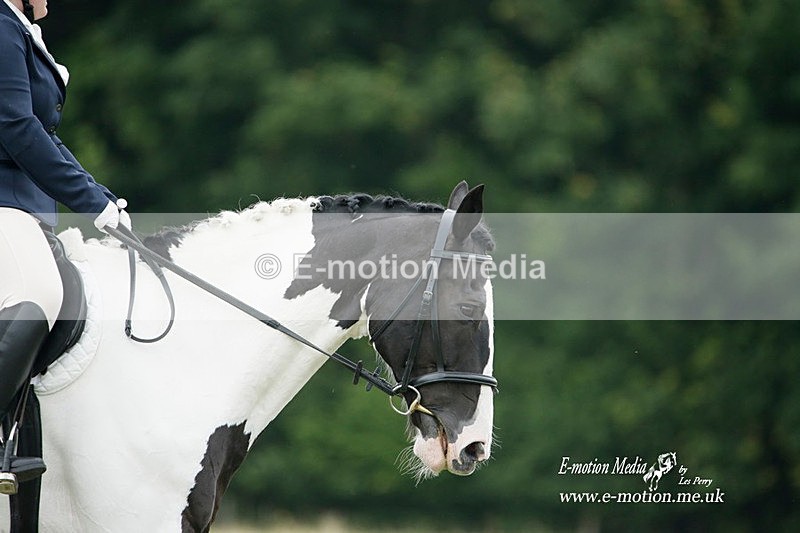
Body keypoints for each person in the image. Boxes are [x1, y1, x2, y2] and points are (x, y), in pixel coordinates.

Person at [0, 0, 129, 494]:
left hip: (26, 208)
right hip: (4, 204)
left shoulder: (18, 29)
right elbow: (15, 127)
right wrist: (86, 199)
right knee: (40, 292)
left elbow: (46, 135)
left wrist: (99, 198)